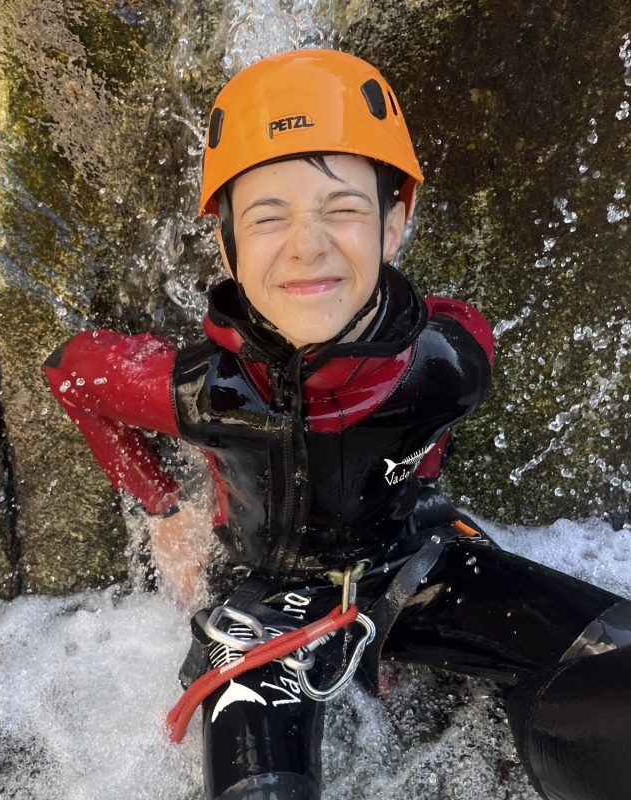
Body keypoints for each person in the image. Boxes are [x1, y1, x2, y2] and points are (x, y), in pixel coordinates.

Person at [45, 50, 631, 800]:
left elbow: (425, 421)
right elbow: (70, 371)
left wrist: (419, 486)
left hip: (411, 564)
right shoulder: (199, 389)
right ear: (226, 245)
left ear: (395, 225)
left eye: (342, 209)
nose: (307, 244)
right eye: (268, 216)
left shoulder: (449, 361)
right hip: (259, 604)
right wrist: (161, 507)